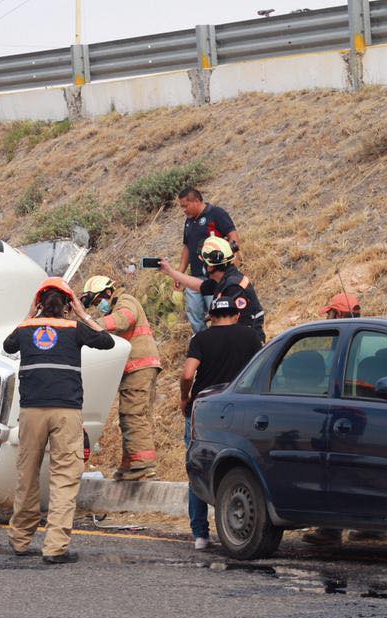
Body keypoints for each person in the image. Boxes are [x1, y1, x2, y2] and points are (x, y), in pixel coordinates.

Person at [3, 277, 115, 564]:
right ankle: (55, 548)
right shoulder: (74, 327)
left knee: (26, 476)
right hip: (66, 412)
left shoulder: (26, 329)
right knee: (64, 478)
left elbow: (7, 346)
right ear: (68, 304)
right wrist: (83, 313)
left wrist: (30, 314)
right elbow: (107, 341)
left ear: (40, 303)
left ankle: (20, 540)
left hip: (31, 412)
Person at [180, 288, 262, 550]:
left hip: (204, 410)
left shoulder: (201, 339)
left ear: (211, 316)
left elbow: (187, 373)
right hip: (241, 410)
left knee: (198, 468)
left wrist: (185, 398)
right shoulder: (250, 336)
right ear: (236, 315)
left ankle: (201, 535)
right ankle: (240, 527)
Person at [83, 275, 162, 481]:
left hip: (139, 366)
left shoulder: (125, 301)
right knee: (130, 415)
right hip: (136, 368)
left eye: (96, 300)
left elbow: (124, 319)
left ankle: (143, 466)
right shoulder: (116, 305)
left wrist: (91, 323)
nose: (96, 306)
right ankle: (131, 464)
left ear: (108, 293)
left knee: (133, 414)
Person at [303, 291, 366, 547]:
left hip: (343, 416)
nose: (327, 316)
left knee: (332, 470)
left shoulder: (342, 343)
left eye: (329, 312)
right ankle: (370, 527)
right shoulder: (370, 338)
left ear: (337, 314)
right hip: (368, 415)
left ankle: (330, 528)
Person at [160, 236, 266, 343]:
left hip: (246, 345)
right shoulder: (225, 279)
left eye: (204, 263)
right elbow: (200, 286)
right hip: (239, 341)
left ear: (210, 267)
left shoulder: (232, 287)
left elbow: (229, 326)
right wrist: (170, 271)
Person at [176, 187, 241, 334]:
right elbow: (187, 247)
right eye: (182, 207)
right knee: (194, 313)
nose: (183, 210)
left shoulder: (216, 213)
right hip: (194, 276)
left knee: (217, 312)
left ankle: (221, 341)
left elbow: (234, 237)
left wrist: (231, 266)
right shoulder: (188, 221)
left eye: (185, 206)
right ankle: (202, 341)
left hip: (215, 276)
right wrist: (180, 273)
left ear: (197, 201)